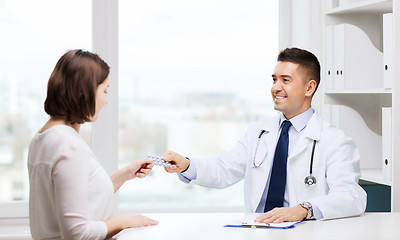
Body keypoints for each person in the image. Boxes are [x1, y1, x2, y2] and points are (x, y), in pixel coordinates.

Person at [163, 47, 367, 223]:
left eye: (285, 80)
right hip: (258, 229)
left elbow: (350, 196)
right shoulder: (259, 133)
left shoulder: (334, 140)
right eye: (274, 79)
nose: (276, 87)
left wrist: (303, 210)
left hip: (304, 231)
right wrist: (187, 165)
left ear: (309, 87)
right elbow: (223, 169)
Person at [27, 49, 158, 240]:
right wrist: (126, 222)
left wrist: (125, 174)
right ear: (84, 92)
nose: (106, 100)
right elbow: (77, 234)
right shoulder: (68, 145)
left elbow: (77, 198)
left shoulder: (43, 137)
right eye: (104, 91)